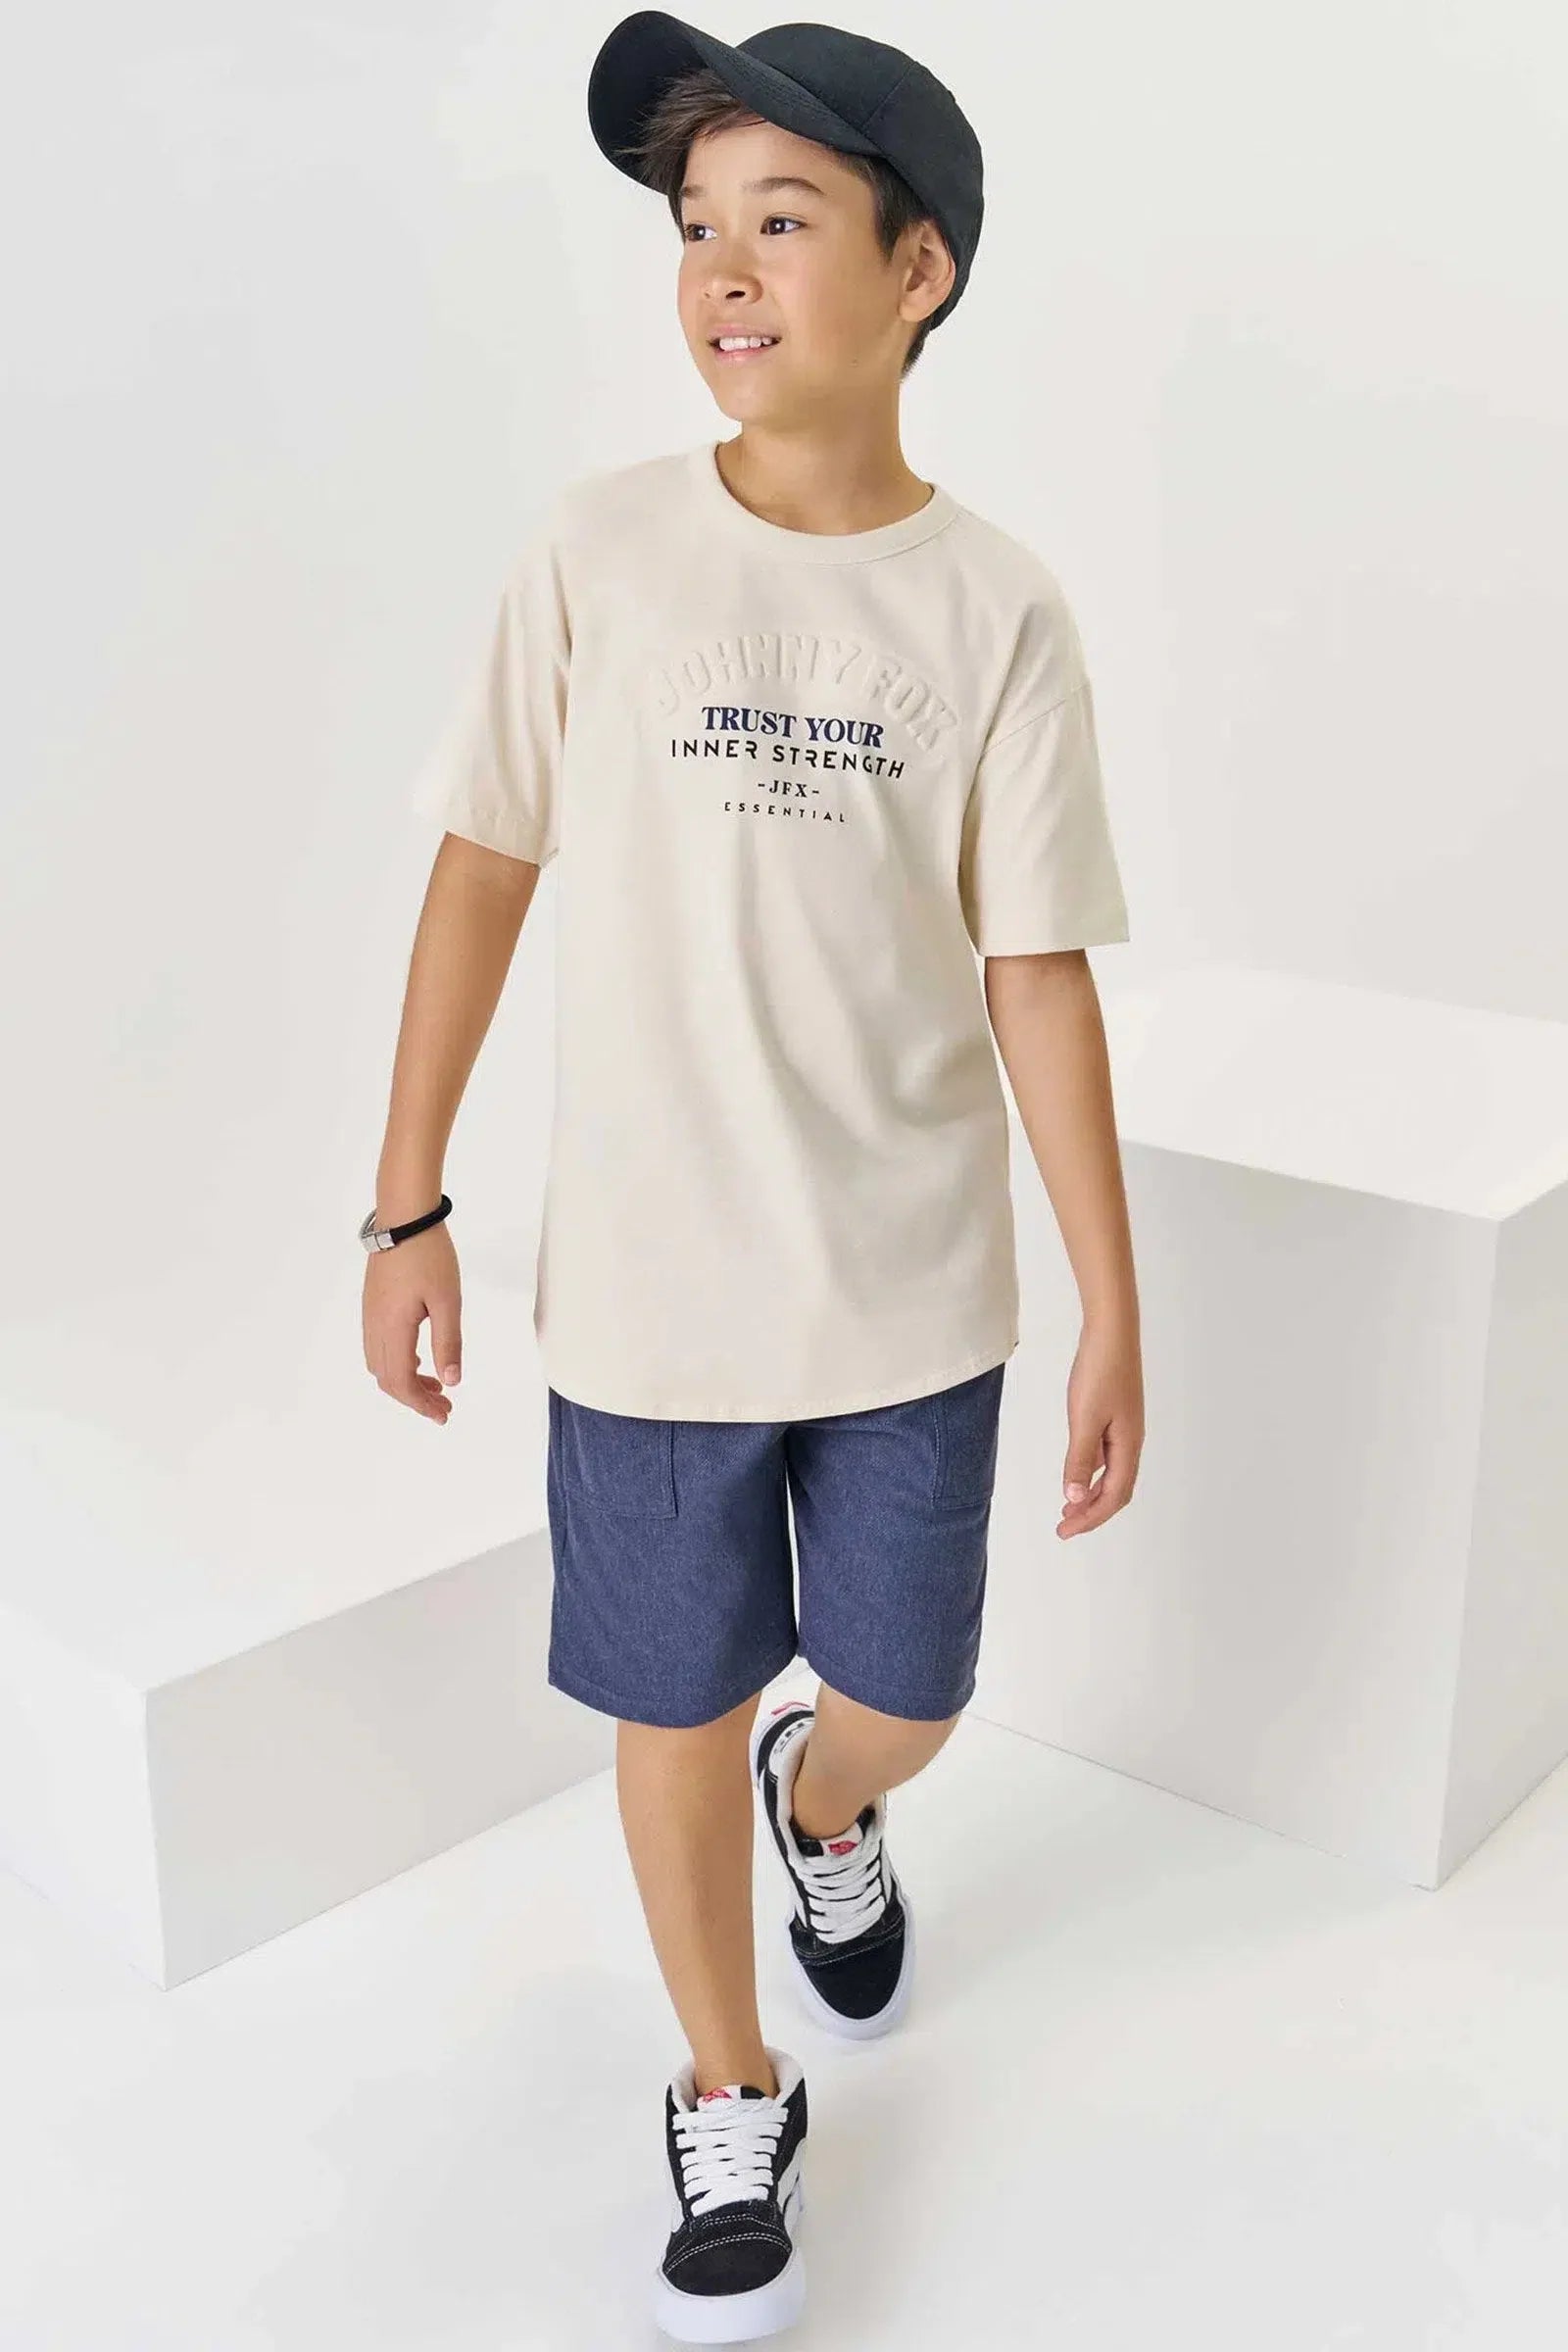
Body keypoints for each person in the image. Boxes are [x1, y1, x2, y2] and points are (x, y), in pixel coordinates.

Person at [363, 13, 1145, 2341]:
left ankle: (835, 1803)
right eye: (693, 225)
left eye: (780, 219)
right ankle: (730, 2083)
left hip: (908, 1288)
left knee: (908, 1679)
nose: (716, 267)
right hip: (646, 1294)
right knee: (667, 1703)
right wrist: (404, 1201)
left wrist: (1111, 1300)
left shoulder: (995, 608)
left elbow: (1034, 973)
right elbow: (482, 864)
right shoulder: (597, 552)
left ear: (917, 272)